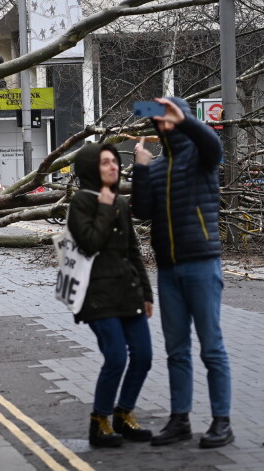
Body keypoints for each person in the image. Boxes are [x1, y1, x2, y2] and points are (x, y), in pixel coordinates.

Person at [132, 97, 233, 449]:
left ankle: (222, 421)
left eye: (168, 117)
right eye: (159, 119)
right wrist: (141, 168)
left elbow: (214, 144)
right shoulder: (157, 166)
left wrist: (185, 119)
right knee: (176, 350)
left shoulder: (201, 155)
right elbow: (142, 210)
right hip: (169, 270)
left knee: (212, 348)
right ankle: (179, 420)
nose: (163, 123)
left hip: (202, 264)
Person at [68, 143, 154, 448]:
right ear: (92, 168)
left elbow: (132, 250)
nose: (113, 167)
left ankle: (123, 414)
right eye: (105, 163)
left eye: (115, 162)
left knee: (143, 356)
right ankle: (100, 421)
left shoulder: (118, 201)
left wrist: (146, 292)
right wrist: (104, 207)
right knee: (116, 357)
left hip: (128, 293)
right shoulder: (80, 202)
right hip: (97, 297)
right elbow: (90, 242)